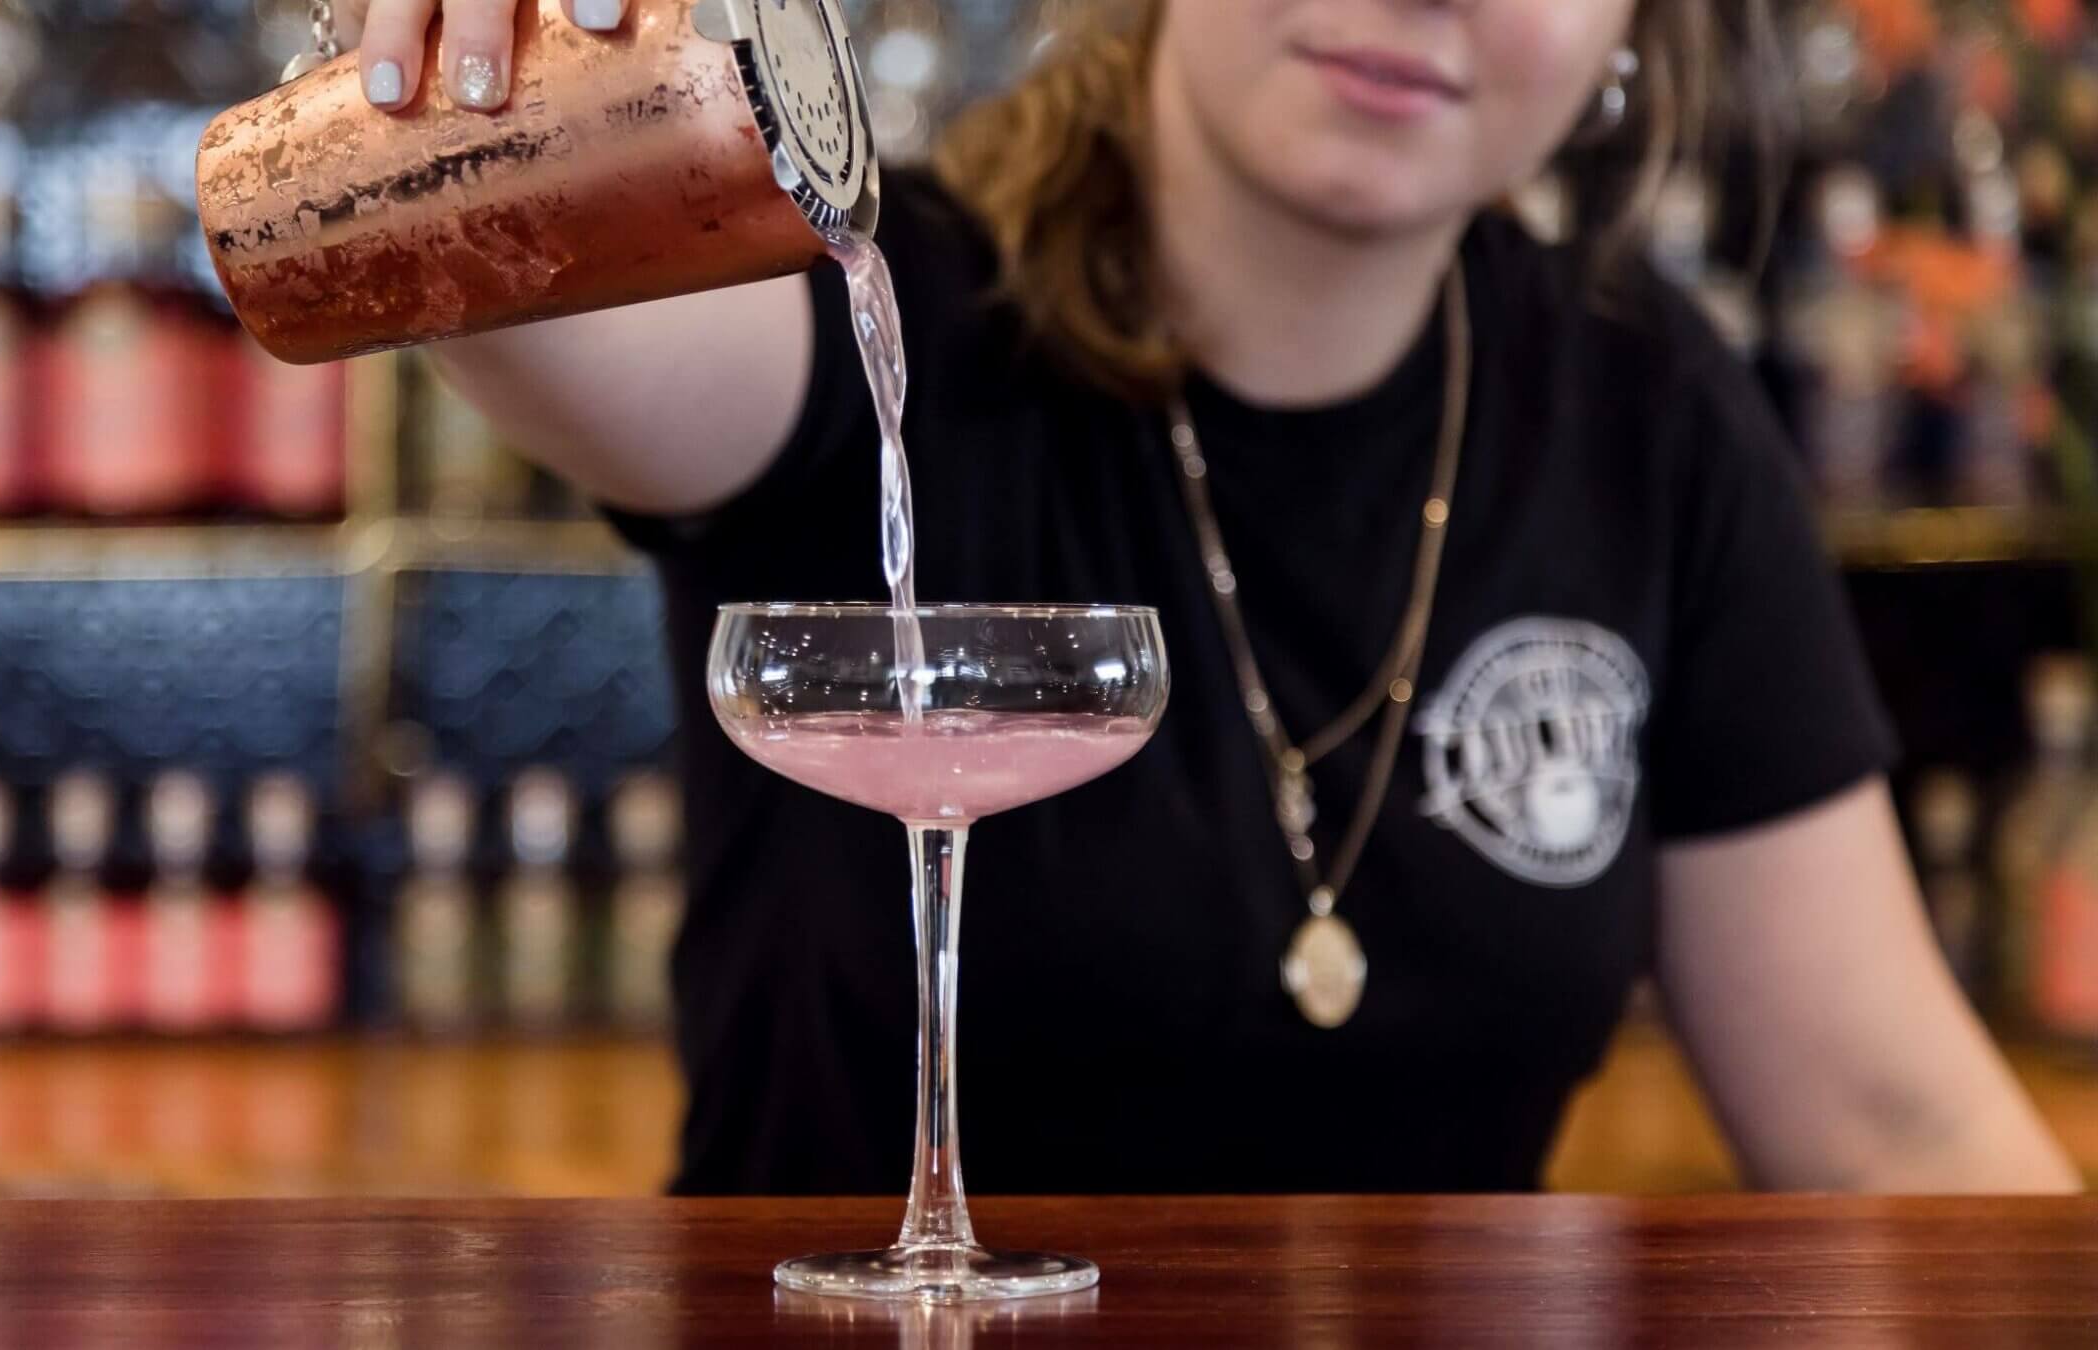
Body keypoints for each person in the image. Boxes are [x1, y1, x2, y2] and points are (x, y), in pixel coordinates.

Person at [334, 0, 2080, 1194]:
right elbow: (534, 297)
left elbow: (1884, 1120)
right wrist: (468, 88)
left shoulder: (1644, 407)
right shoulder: (887, 306)